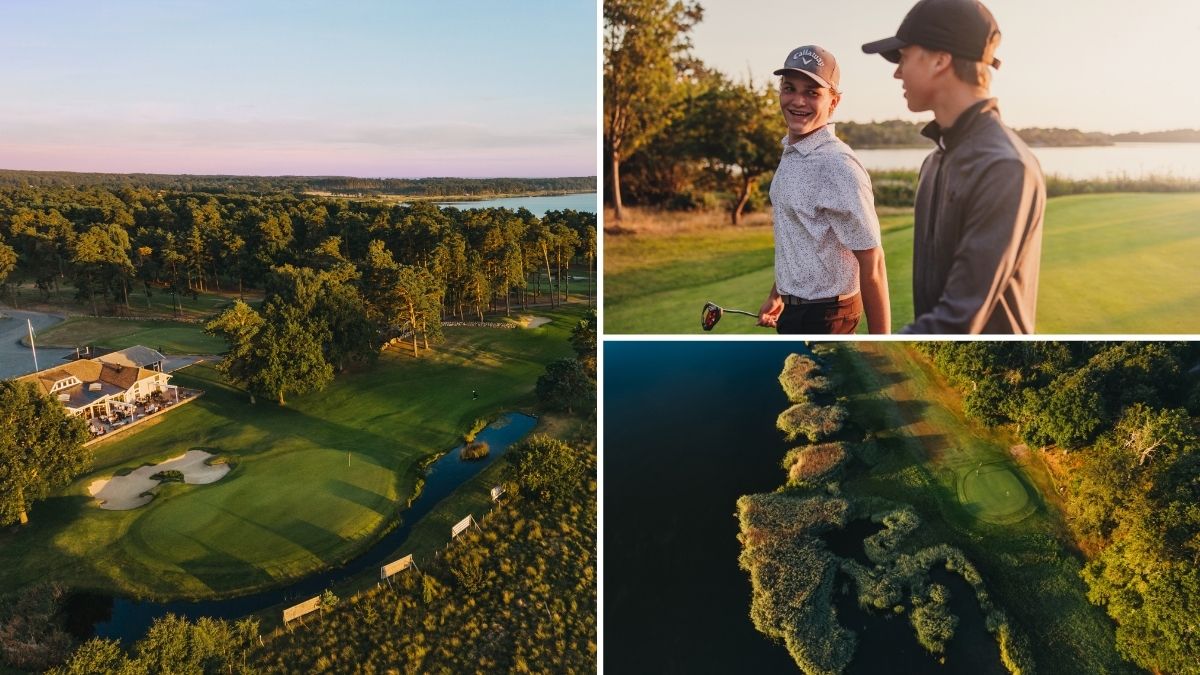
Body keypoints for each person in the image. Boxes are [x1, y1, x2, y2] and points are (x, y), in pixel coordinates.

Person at [863, 0, 1045, 333]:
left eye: (903, 56)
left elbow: (958, 320)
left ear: (940, 59)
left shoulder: (1004, 167)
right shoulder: (935, 161)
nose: (896, 71)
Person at [757, 45, 891, 335]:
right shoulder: (791, 151)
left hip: (827, 315)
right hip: (796, 310)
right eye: (789, 88)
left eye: (812, 92)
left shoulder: (837, 165)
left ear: (833, 102)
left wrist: (882, 344)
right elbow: (797, 235)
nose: (797, 101)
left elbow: (874, 264)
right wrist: (778, 293)